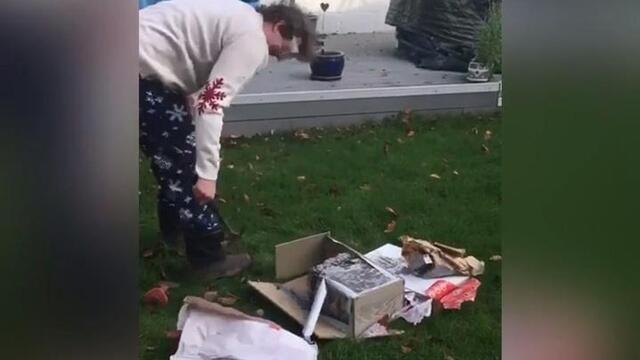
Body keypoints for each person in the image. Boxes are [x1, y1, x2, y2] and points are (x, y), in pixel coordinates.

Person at [139, 0, 316, 278]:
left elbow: (191, 58)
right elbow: (211, 104)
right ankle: (207, 258)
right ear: (279, 26)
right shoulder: (253, 38)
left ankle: (173, 234)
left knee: (173, 156)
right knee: (185, 169)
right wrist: (208, 174)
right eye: (283, 50)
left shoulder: (239, 15)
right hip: (140, 73)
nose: (277, 57)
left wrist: (186, 97)